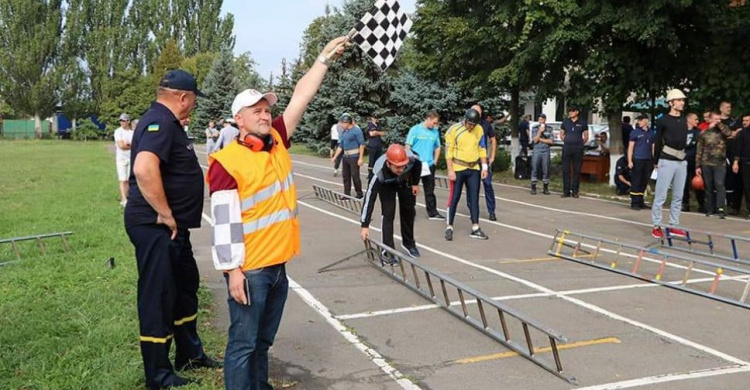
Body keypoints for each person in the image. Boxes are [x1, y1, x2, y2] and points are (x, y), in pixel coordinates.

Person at [206, 36, 349, 390]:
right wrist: (232, 271)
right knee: (242, 345)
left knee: (262, 343)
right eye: (256, 110)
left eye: (267, 109)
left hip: (277, 268)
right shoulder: (226, 162)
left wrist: (323, 60)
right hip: (250, 271)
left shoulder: (278, 143)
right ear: (238, 120)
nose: (265, 114)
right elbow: (223, 224)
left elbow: (302, 95)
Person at [124, 69, 220, 389]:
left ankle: (189, 354)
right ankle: (158, 374)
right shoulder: (160, 122)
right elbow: (143, 167)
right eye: (192, 99)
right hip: (155, 227)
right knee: (159, 296)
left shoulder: (169, 123)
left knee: (184, 288)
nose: (193, 105)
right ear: (182, 97)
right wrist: (165, 214)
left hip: (174, 229)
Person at [360, 144, 422, 260]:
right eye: (397, 167)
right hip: (387, 185)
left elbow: (418, 166)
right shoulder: (378, 173)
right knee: (388, 213)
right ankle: (387, 249)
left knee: (409, 211)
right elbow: (369, 199)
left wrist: (415, 183)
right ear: (388, 163)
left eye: (403, 166)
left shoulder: (412, 159)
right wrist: (365, 225)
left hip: (404, 181)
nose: (401, 169)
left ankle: (409, 243)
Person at [444, 108, 489, 241]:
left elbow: (482, 148)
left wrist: (484, 167)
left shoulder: (479, 129)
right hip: (458, 167)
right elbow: (449, 151)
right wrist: (450, 170)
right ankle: (449, 226)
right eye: (469, 124)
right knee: (455, 197)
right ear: (465, 120)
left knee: (474, 198)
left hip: (473, 167)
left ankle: (475, 227)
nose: (471, 127)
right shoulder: (454, 130)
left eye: (473, 125)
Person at [651, 89, 690, 239]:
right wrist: (655, 161)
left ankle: (674, 225)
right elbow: (657, 141)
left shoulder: (683, 120)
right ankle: (656, 225)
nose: (682, 103)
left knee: (678, 196)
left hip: (681, 161)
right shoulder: (663, 120)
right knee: (661, 195)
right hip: (666, 160)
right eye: (679, 100)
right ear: (671, 102)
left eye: (683, 100)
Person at [405, 111, 443, 219]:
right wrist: (409, 162)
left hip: (429, 164)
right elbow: (408, 146)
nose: (435, 125)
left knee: (430, 190)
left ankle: (432, 212)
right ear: (428, 119)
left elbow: (438, 146)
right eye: (434, 123)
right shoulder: (415, 129)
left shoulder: (435, 132)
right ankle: (410, 211)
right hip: (416, 164)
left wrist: (435, 161)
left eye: (436, 123)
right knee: (412, 188)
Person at [696, 111, 733, 218]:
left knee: (720, 184)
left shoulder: (722, 130)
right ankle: (709, 209)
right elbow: (699, 150)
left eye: (719, 119)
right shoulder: (704, 133)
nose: (718, 121)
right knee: (708, 186)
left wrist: (720, 125)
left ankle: (721, 208)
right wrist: (697, 166)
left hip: (720, 163)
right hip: (706, 162)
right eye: (716, 119)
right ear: (710, 119)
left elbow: (729, 133)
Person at [471, 104, 498, 220]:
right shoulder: (468, 125)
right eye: (473, 111)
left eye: (478, 111)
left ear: (481, 113)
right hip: (471, 161)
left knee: (487, 184)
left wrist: (492, 156)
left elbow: (493, 140)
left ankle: (491, 211)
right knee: (473, 187)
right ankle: (472, 209)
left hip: (483, 160)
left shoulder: (486, 125)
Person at [331, 113, 365, 198]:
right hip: (345, 157)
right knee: (345, 175)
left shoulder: (356, 131)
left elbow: (361, 144)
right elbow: (341, 146)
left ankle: (359, 193)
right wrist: (335, 157)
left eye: (343, 123)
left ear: (348, 123)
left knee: (355, 175)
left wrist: (360, 158)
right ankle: (347, 194)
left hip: (354, 156)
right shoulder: (344, 132)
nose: (341, 125)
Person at [719, 101, 743, 215]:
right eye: (727, 107)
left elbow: (737, 134)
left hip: (732, 154)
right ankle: (718, 205)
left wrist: (730, 134)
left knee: (733, 180)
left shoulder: (735, 121)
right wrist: (730, 134)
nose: (729, 109)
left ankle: (733, 206)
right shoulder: (717, 121)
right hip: (718, 155)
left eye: (730, 107)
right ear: (721, 108)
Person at [560, 106, 589, 198]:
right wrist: (566, 140)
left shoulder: (582, 122)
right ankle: (566, 191)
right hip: (567, 148)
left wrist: (580, 143)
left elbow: (586, 136)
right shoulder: (565, 122)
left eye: (572, 111)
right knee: (565, 170)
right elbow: (561, 134)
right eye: (569, 111)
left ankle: (575, 191)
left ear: (577, 112)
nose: (570, 113)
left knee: (576, 170)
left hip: (578, 149)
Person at [627, 114, 654, 210]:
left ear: (646, 120)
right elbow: (630, 147)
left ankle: (640, 201)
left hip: (648, 159)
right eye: (638, 120)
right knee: (636, 180)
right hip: (638, 159)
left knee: (644, 181)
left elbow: (653, 147)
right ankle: (634, 202)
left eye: (641, 120)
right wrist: (630, 161)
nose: (639, 122)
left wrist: (654, 160)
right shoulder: (635, 132)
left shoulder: (651, 132)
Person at [683, 113, 705, 212]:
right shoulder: (681, 132)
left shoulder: (699, 133)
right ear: (689, 120)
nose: (697, 121)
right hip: (683, 161)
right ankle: (685, 203)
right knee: (684, 184)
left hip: (695, 162)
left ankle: (702, 204)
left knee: (698, 184)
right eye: (695, 119)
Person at [731, 114, 750, 219]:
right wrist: (735, 162)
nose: (744, 122)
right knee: (747, 188)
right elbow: (738, 149)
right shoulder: (742, 133)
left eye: (747, 120)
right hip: (746, 164)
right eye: (744, 120)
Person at [530, 113, 553, 195]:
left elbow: (551, 141)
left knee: (546, 169)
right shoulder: (535, 128)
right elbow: (535, 140)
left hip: (546, 150)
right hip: (537, 150)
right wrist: (540, 131)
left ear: (545, 120)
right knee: (535, 168)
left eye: (542, 119)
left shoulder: (549, 128)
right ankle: (533, 187)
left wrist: (541, 139)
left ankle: (545, 187)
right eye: (539, 119)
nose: (541, 121)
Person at [114, 113, 134, 207]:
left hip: (130, 157)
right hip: (121, 158)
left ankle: (127, 197)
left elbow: (136, 145)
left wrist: (128, 144)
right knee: (122, 179)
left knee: (129, 179)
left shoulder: (132, 132)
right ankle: (124, 199)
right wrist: (130, 145)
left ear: (128, 121)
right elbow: (121, 146)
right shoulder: (118, 131)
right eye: (120, 120)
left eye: (123, 120)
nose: (121, 122)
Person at [366, 116, 386, 181]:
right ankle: (370, 174)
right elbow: (371, 134)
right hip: (372, 145)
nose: (376, 119)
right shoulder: (370, 125)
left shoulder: (378, 125)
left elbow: (384, 133)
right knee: (371, 160)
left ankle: (376, 173)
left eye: (376, 118)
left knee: (377, 161)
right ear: (372, 118)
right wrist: (378, 133)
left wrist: (376, 132)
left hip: (379, 145)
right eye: (374, 118)